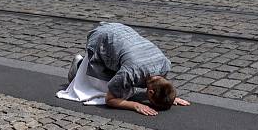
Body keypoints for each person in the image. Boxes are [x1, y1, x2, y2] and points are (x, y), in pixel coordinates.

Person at [60, 23, 190, 116]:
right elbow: (109, 100)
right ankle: (78, 68)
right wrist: (135, 105)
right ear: (149, 92)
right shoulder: (130, 72)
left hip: (121, 30)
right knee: (103, 90)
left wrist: (170, 98)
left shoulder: (165, 64)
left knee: (122, 84)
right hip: (102, 37)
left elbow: (162, 85)